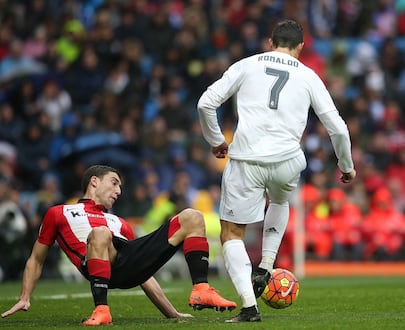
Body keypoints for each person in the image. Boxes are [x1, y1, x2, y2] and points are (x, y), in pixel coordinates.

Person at [197, 19, 356, 322]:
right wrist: (346, 166)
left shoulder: (246, 65)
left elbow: (206, 104)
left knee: (231, 233)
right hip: (288, 160)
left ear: (270, 42)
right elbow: (338, 128)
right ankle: (267, 266)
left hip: (247, 160)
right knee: (280, 201)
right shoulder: (309, 75)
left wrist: (217, 141)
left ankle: (248, 306)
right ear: (300, 47)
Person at [1, 165, 236, 326]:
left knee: (192, 216)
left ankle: (201, 289)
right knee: (101, 233)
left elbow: (143, 272)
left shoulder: (120, 223)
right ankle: (102, 310)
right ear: (94, 181)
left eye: (120, 187)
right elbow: (36, 258)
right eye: (114, 183)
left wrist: (171, 313)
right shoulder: (58, 212)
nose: (119, 191)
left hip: (125, 263)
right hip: (97, 264)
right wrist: (24, 296)